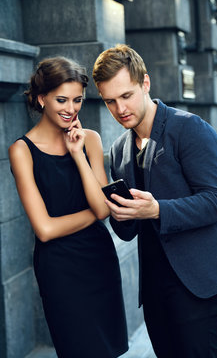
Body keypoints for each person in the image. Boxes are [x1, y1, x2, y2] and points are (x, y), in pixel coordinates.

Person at [92, 44, 217, 358]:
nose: (120, 109)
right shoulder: (119, 150)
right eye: (110, 101)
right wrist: (121, 214)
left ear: (145, 83)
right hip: (156, 289)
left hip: (199, 283)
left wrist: (157, 209)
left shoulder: (189, 129)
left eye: (127, 95)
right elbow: (128, 232)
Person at [8, 56, 128, 358]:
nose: (71, 109)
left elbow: (103, 208)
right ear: (41, 98)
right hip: (60, 269)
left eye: (77, 100)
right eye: (62, 99)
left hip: (98, 260)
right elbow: (46, 229)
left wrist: (77, 154)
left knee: (107, 350)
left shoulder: (89, 140)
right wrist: (96, 211)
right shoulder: (22, 151)